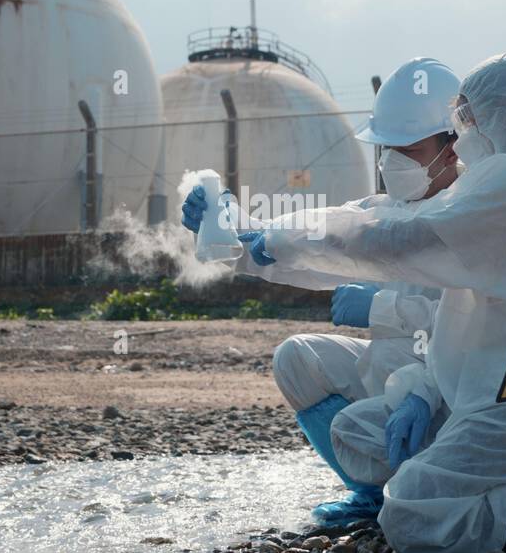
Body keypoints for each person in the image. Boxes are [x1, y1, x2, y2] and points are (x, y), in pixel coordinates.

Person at [229, 53, 506, 553]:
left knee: (409, 520)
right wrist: (250, 243)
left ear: (503, 117)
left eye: (466, 118)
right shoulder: (505, 181)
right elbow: (368, 229)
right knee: (364, 441)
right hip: (489, 391)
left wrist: (281, 242)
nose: (462, 131)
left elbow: (398, 241)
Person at [181, 57, 460, 525]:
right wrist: (234, 228)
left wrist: (382, 309)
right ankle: (370, 493)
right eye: (384, 146)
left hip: (454, 389)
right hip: (395, 374)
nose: (390, 159)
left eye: (405, 146)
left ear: (451, 147)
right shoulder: (383, 211)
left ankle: (429, 485)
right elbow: (307, 245)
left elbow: (481, 322)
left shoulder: (476, 214)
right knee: (298, 358)